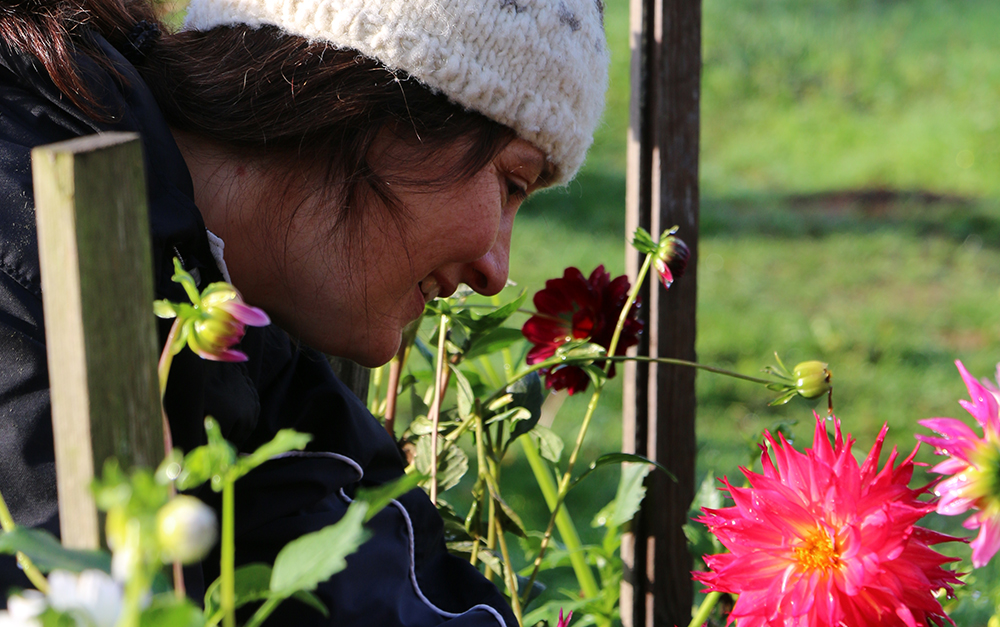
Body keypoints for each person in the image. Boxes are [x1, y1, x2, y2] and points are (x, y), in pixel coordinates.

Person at [0, 0, 609, 624]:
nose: (496, 271)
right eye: (511, 183)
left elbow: (379, 583)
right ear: (360, 99)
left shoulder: (230, 310)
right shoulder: (33, 251)